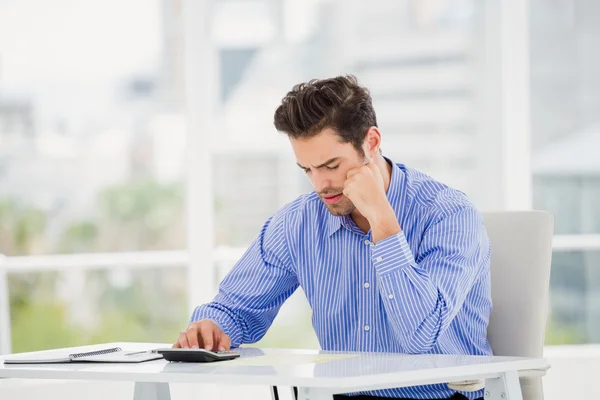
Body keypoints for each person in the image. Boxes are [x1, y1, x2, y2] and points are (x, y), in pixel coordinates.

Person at [174, 75, 491, 400]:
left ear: (371, 142)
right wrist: (211, 328)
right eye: (307, 170)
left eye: (331, 165)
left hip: (442, 396)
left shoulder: (448, 214)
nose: (320, 185)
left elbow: (420, 335)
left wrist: (382, 221)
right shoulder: (298, 222)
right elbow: (237, 308)